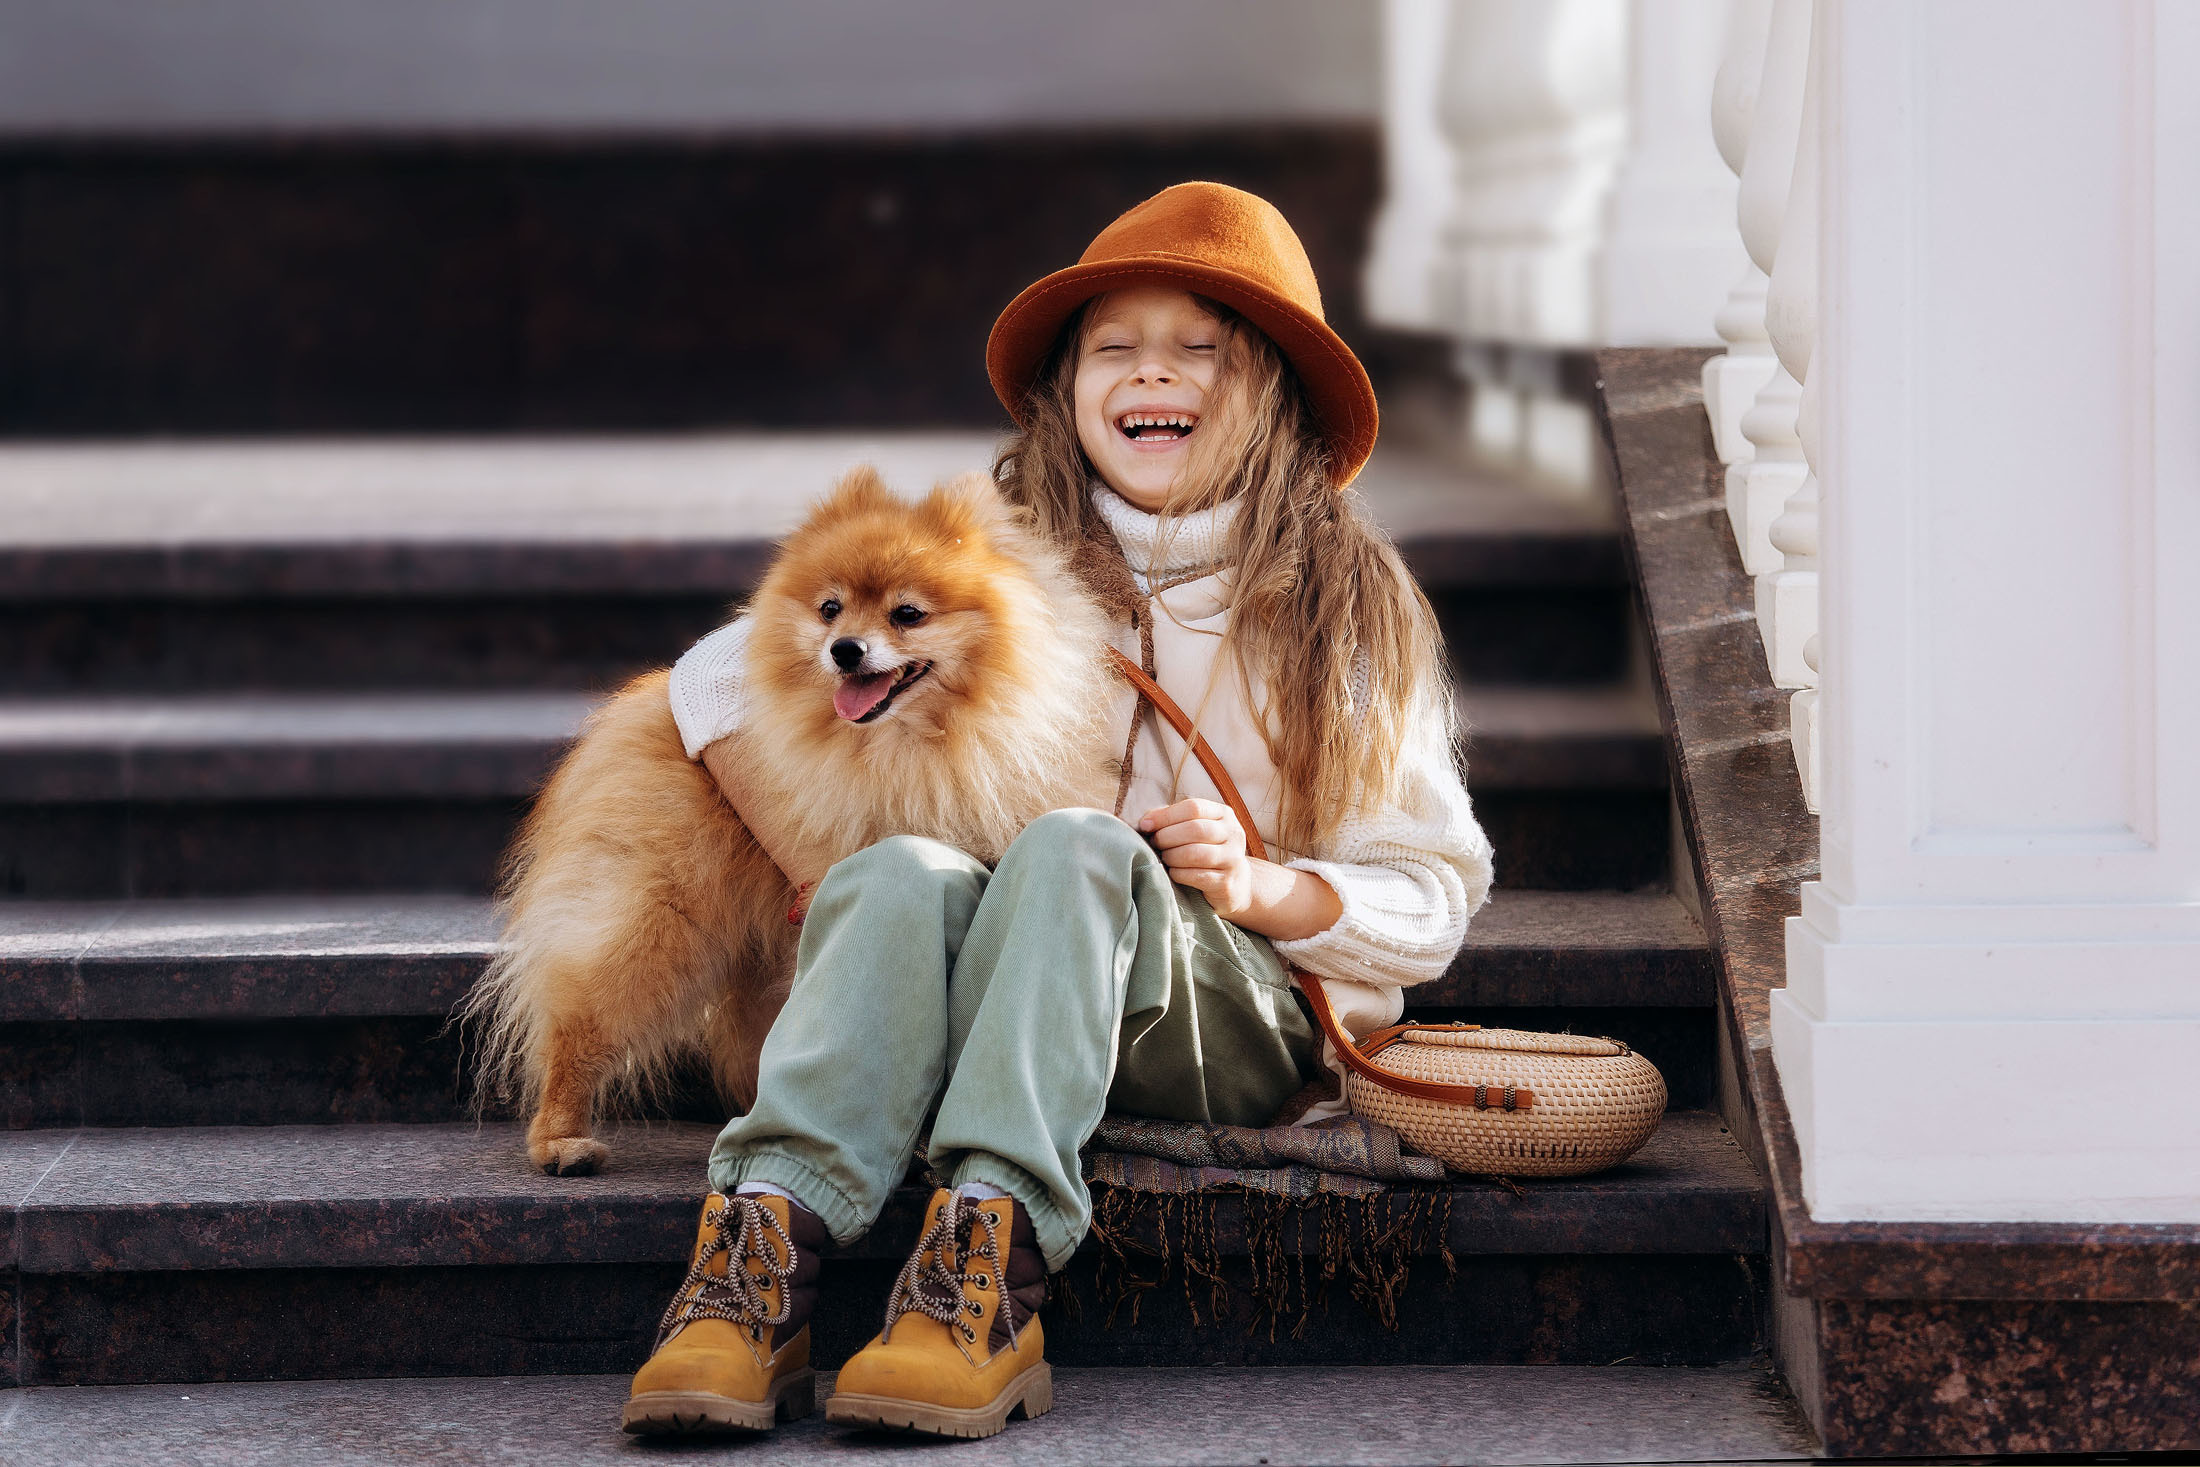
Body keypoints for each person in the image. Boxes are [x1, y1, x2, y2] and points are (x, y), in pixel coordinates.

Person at [620, 182, 1494, 1440]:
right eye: (1115, 348)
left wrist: (1261, 886)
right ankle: (760, 1262)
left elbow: (1430, 898)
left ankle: (987, 1275)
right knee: (902, 872)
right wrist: (816, 850)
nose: (1155, 373)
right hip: (1010, 998)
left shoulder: (1343, 610)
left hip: (1223, 1012)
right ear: (1066, 389)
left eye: (1202, 348)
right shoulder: (1009, 554)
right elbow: (715, 676)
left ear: (1275, 394)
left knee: (1075, 844)